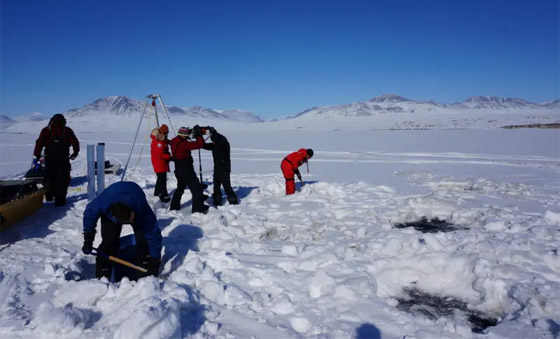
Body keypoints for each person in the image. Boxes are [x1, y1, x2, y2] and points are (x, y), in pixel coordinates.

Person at [81, 181, 162, 279]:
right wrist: (88, 238)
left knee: (143, 239)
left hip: (134, 194)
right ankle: (103, 272)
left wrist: (155, 261)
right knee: (109, 241)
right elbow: (89, 214)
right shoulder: (103, 203)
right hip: (113, 199)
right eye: (127, 221)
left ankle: (145, 264)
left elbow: (153, 234)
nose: (131, 222)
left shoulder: (141, 209)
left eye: (131, 219)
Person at [33, 113, 79, 206]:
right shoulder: (67, 130)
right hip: (63, 159)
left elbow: (39, 143)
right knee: (62, 179)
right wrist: (75, 153)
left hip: (49, 159)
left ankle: (49, 197)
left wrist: (36, 156)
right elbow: (75, 142)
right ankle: (60, 201)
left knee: (49, 177)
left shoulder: (46, 130)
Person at [169, 125, 209, 213]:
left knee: (180, 188)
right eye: (186, 135)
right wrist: (199, 136)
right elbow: (200, 144)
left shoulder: (174, 141)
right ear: (183, 135)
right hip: (187, 170)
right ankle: (198, 210)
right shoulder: (184, 144)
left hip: (178, 169)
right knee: (196, 190)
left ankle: (174, 206)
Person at [203, 127, 238, 205]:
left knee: (225, 186)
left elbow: (210, 145)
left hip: (223, 167)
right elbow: (205, 145)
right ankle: (218, 200)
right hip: (220, 167)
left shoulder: (221, 144)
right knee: (218, 185)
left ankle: (232, 200)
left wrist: (213, 134)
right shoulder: (221, 142)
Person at [150, 124, 171, 202]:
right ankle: (163, 195)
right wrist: (170, 157)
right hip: (159, 163)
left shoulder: (161, 139)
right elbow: (160, 154)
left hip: (159, 162)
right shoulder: (158, 142)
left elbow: (166, 142)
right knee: (162, 179)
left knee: (160, 178)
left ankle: (157, 192)